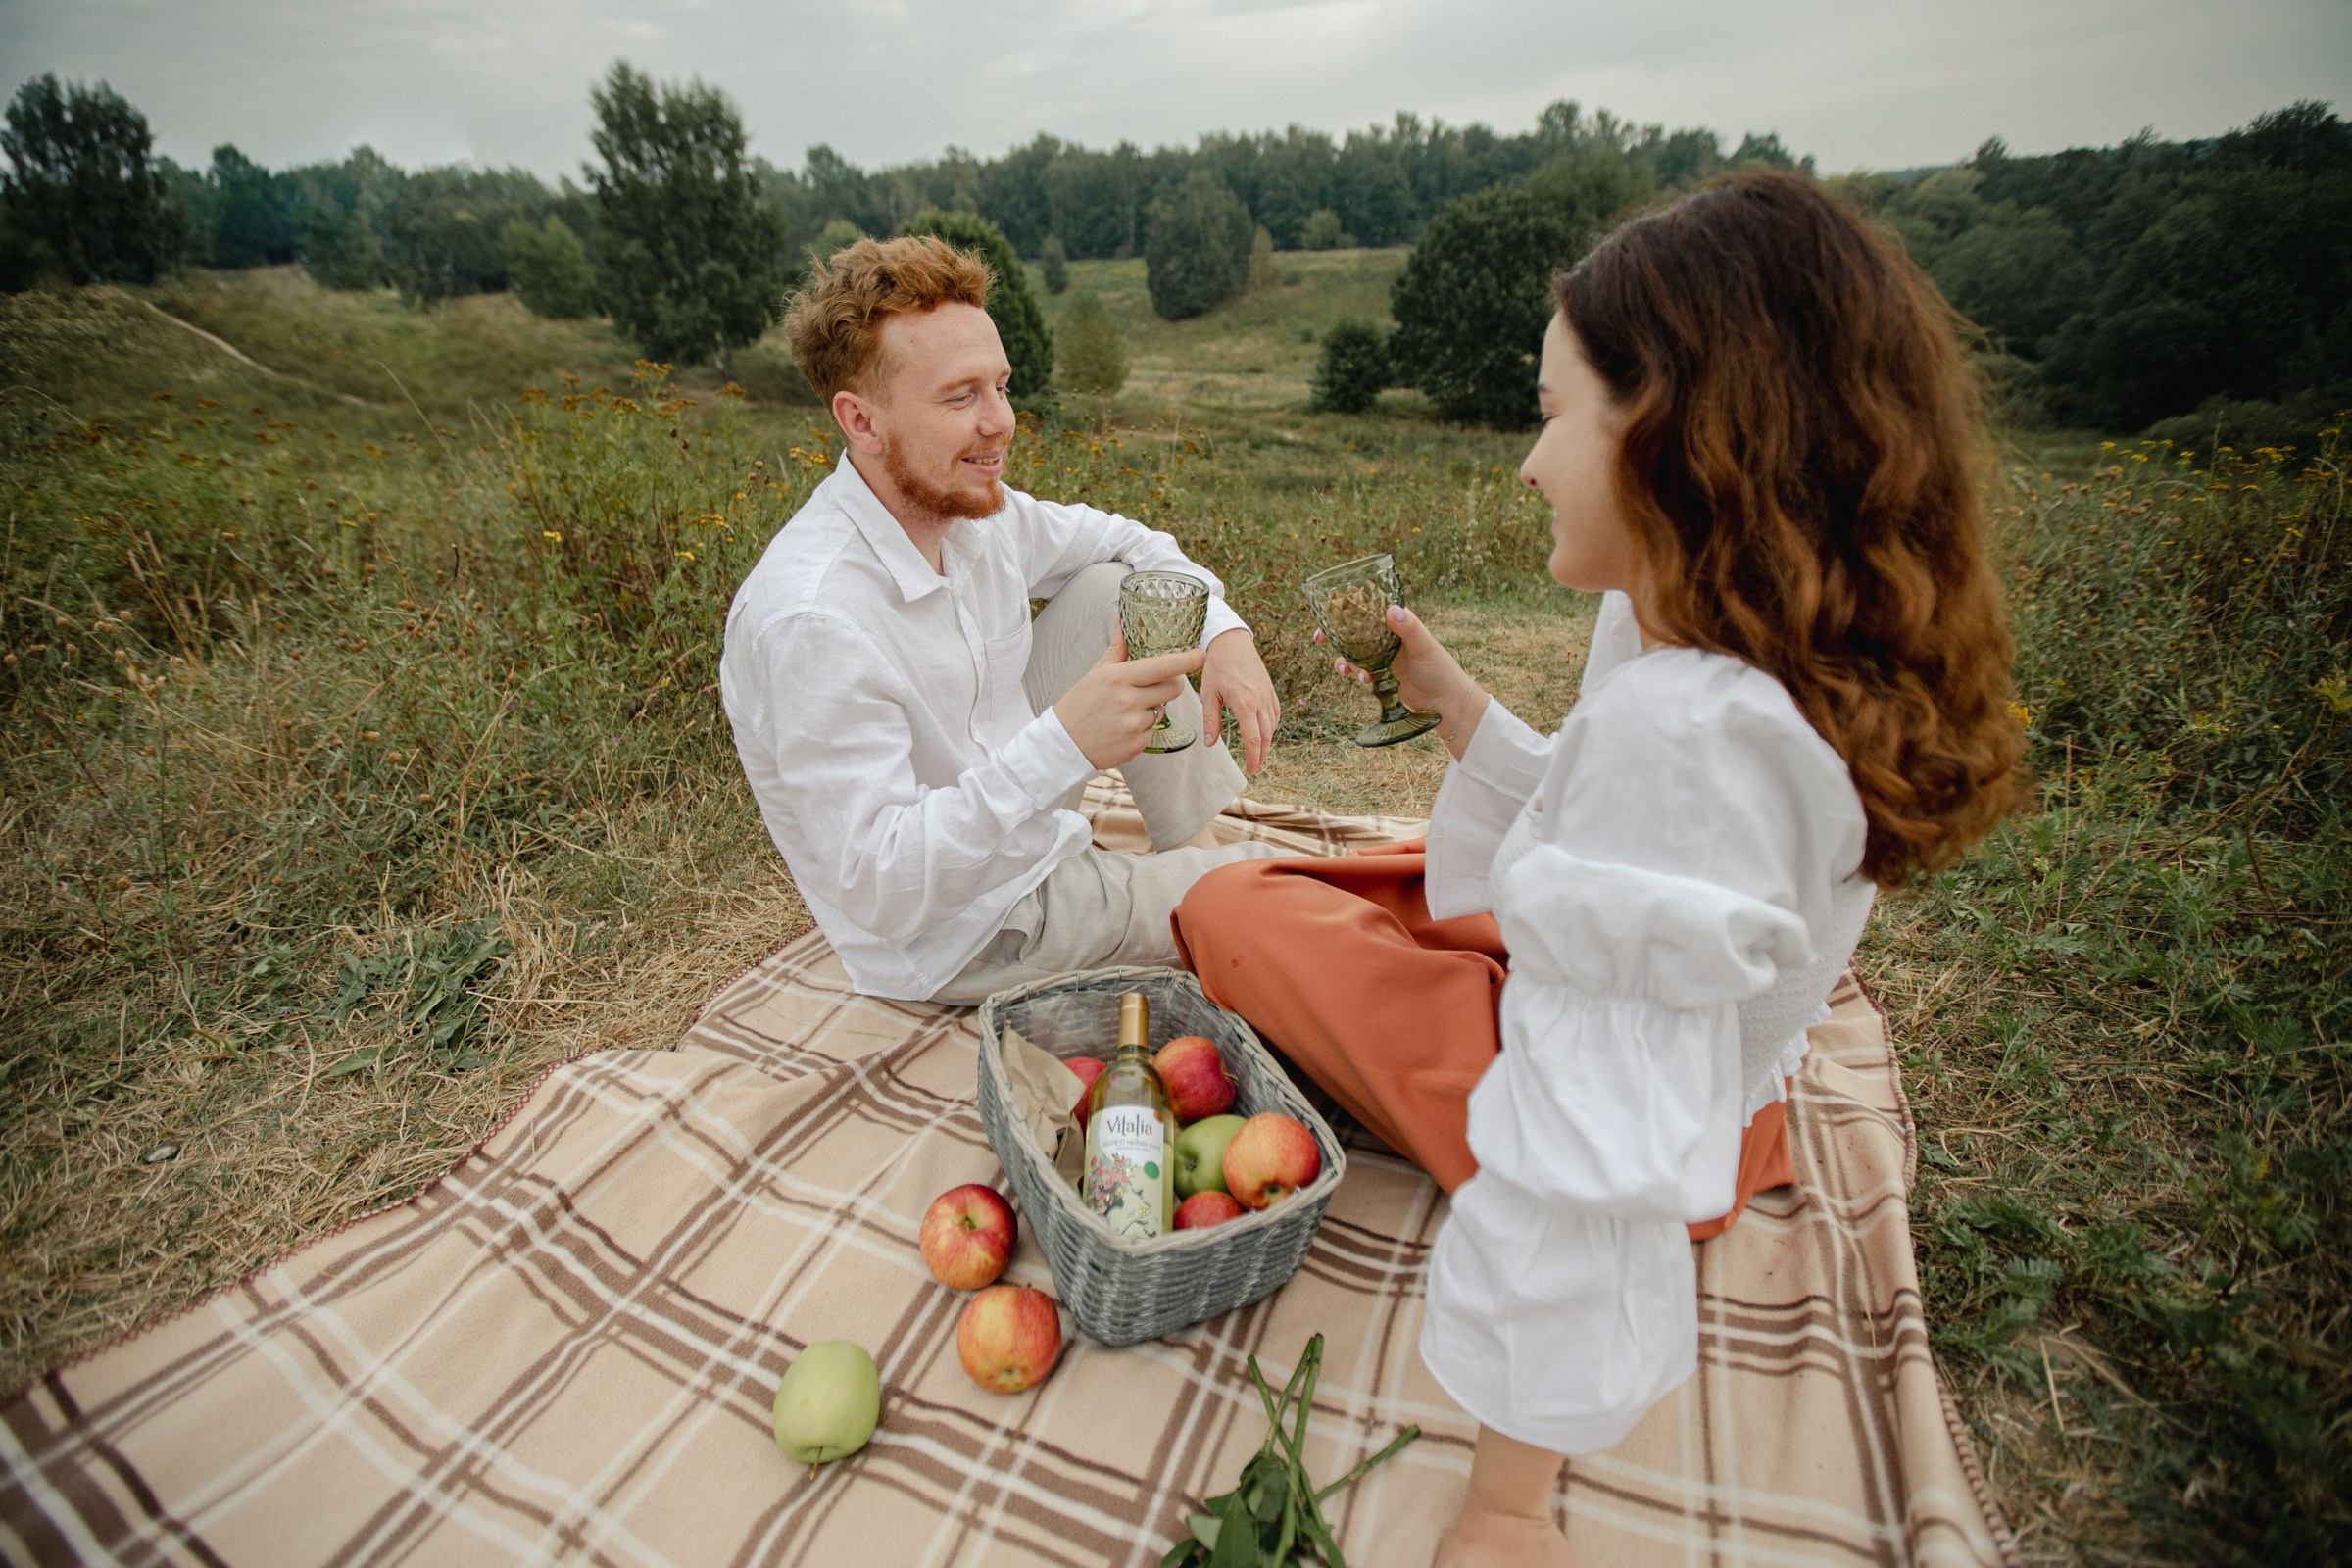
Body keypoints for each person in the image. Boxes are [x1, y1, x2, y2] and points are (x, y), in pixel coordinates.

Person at [1171, 172, 2025, 1566]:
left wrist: (1511, 1504)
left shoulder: (1688, 734)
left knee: (1227, 900)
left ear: (1685, 431)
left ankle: (1422, 1062)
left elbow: (1590, 1145)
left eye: (1558, 413)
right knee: (1357, 882)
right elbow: (1602, 823)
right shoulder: (1725, 632)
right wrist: (1459, 708)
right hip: (1677, 1027)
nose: (1528, 461)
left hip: (1674, 1135)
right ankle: (1430, 969)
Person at [721, 235, 1286, 1005]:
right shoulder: (813, 620)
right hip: (963, 928)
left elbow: (1133, 544)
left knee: (1110, 587)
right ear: (860, 420)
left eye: (1002, 386)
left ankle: (1192, 846)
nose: (1003, 422)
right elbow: (878, 890)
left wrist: (1225, 631)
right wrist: (1063, 745)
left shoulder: (969, 511)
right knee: (1276, 891)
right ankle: (1200, 883)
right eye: (961, 398)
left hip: (1012, 820)